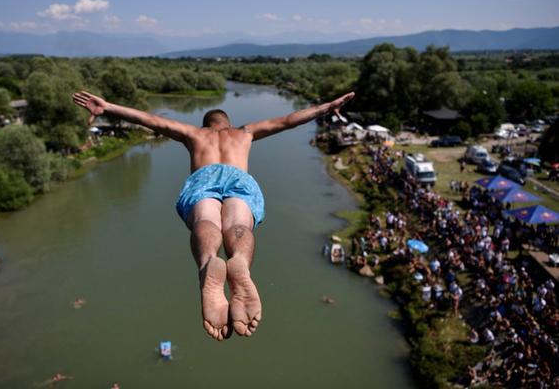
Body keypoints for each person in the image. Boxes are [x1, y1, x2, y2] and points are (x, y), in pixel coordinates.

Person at [72, 89, 355, 341]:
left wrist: (108, 107)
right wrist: (325, 108)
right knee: (239, 225)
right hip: (239, 180)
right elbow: (287, 120)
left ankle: (209, 262)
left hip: (203, 179)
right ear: (227, 124)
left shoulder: (193, 134)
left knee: (206, 221)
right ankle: (240, 262)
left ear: (205, 125)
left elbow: (150, 120)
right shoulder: (244, 132)